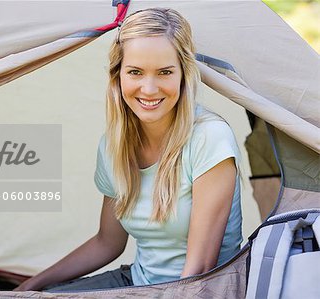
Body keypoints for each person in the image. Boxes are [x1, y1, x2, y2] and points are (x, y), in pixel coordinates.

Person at [14, 7, 242, 292]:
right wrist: (29, 288)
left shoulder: (209, 138)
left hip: (200, 290)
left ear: (183, 74)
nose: (149, 88)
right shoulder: (113, 146)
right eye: (135, 72)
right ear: (117, 75)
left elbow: (199, 271)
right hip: (137, 284)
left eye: (164, 72)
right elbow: (107, 243)